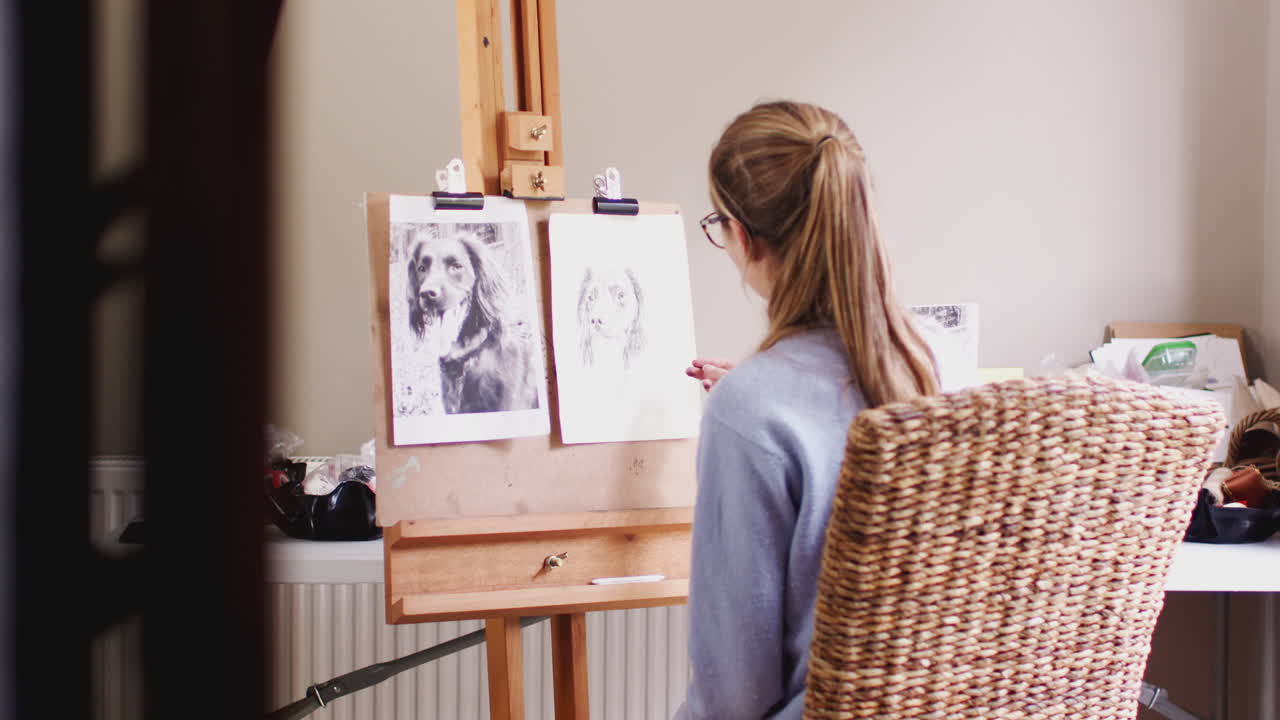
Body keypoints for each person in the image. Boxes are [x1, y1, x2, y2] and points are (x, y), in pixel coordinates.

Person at [674, 101, 940, 719]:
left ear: (743, 236)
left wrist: (757, 402)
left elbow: (733, 696)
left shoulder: (749, 412)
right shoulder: (937, 370)